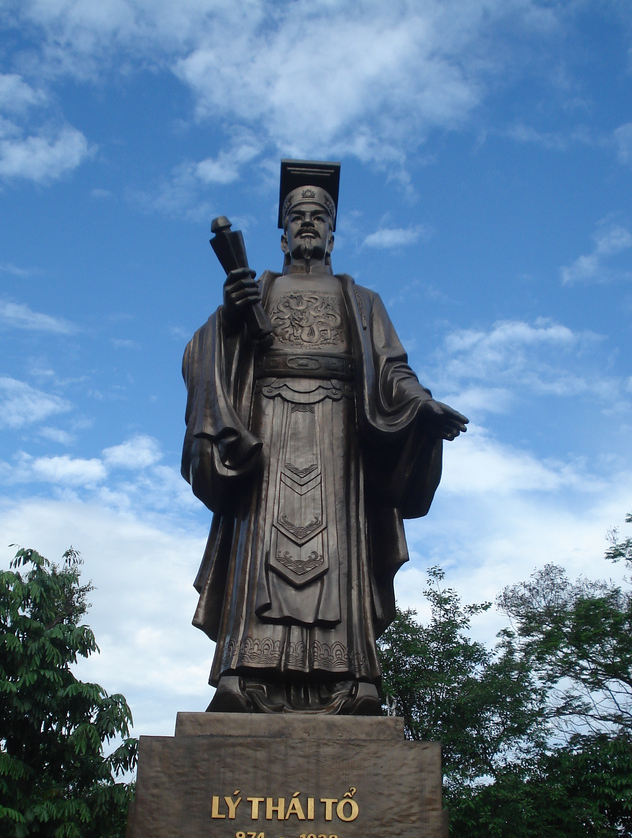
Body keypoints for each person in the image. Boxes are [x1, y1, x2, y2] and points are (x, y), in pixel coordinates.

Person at [182, 159, 468, 714]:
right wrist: (232, 317)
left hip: (339, 438)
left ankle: (352, 679)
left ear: (333, 229)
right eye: (298, 216)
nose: (308, 224)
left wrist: (421, 404)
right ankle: (244, 671)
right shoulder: (257, 288)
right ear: (282, 230)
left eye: (319, 216)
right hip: (267, 431)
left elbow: (394, 370)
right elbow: (205, 351)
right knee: (261, 549)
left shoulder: (362, 300)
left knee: (337, 556)